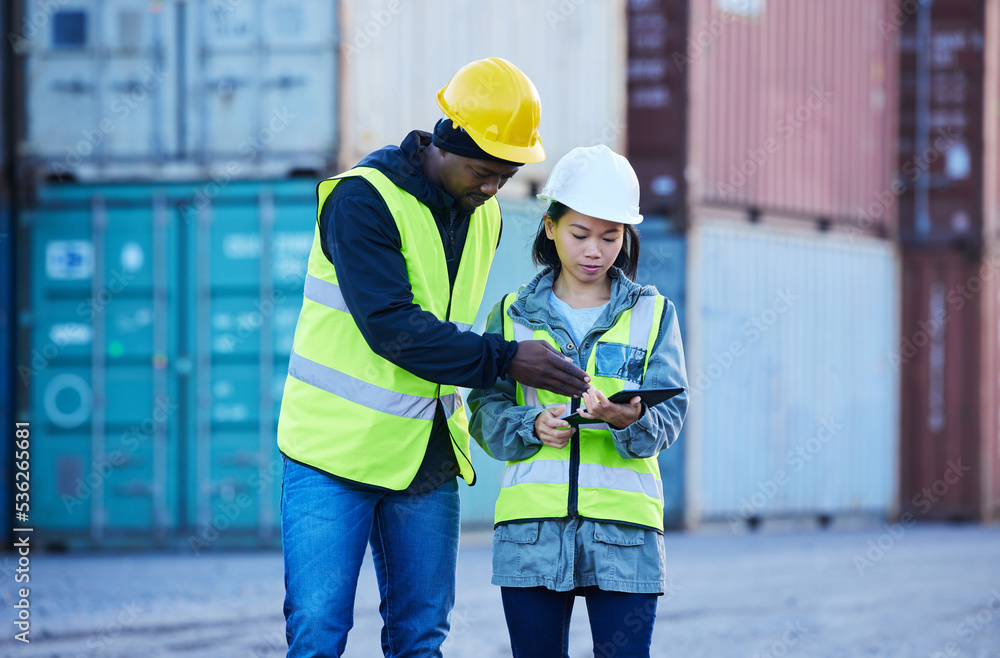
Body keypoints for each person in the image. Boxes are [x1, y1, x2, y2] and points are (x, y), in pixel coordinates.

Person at [275, 57, 590, 657]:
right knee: (318, 633)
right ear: (444, 143)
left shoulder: (486, 214)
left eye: (507, 173)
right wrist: (505, 359)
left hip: (426, 453)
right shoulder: (360, 201)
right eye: (483, 170)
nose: (494, 186)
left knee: (421, 638)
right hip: (333, 452)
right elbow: (393, 329)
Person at [468, 145, 689, 658]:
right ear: (549, 227)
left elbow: (671, 416)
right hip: (532, 535)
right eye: (580, 234)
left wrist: (624, 419)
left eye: (611, 237)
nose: (595, 250)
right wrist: (531, 424)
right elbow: (484, 409)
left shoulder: (654, 313)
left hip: (625, 537)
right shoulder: (512, 314)